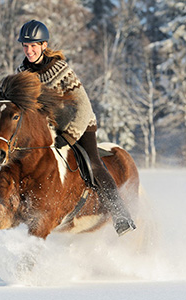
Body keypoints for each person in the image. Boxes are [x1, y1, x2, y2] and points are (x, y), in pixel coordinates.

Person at [16, 20, 136, 236]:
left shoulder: (60, 69)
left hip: (79, 124)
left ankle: (121, 215)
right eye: (25, 45)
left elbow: (84, 105)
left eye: (33, 45)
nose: (29, 50)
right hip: (48, 130)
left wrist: (70, 136)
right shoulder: (22, 72)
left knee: (92, 164)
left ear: (44, 45)